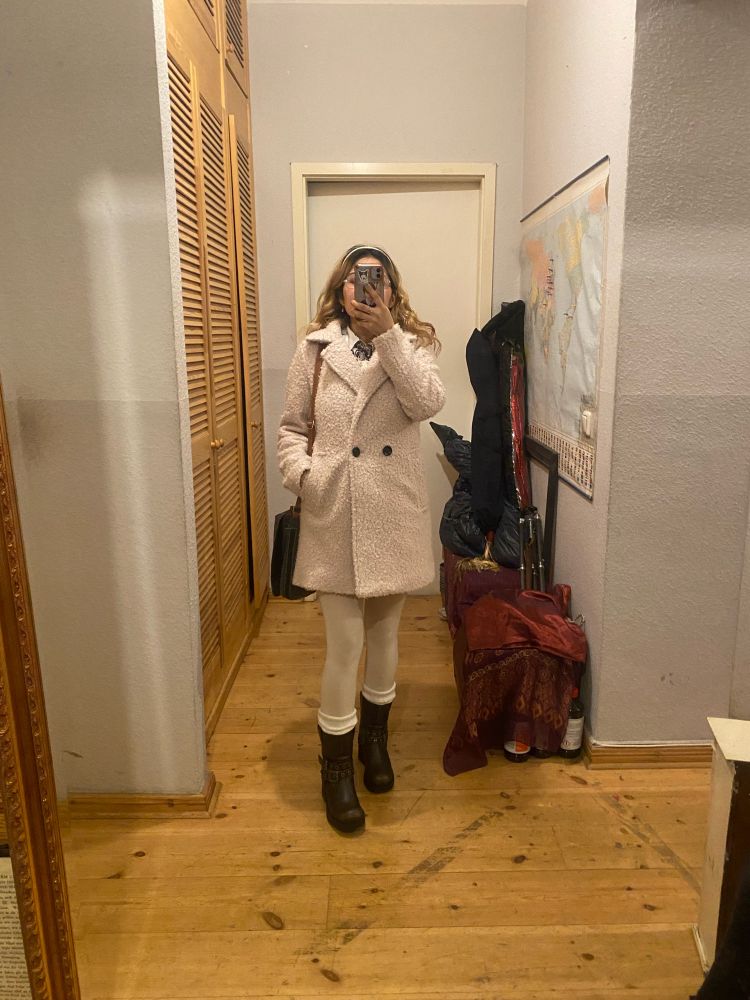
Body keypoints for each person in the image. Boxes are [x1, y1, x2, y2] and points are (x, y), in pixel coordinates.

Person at [277, 245, 445, 833]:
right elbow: (292, 427)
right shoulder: (314, 349)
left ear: (391, 290)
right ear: (340, 289)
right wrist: (305, 475)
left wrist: (390, 337)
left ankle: (375, 742)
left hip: (392, 509)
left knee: (385, 634)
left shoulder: (412, 344)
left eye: (377, 279)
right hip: (337, 509)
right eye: (355, 278)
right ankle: (335, 770)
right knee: (344, 644)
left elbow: (427, 403)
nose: (365, 288)